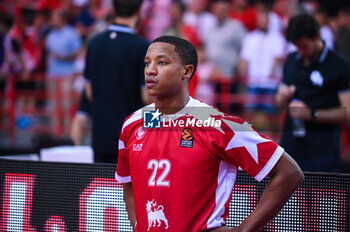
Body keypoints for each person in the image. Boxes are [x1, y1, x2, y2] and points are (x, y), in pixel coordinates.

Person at [116, 35, 303, 231]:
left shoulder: (215, 123)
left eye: (162, 62)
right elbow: (127, 184)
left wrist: (244, 229)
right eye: (147, 63)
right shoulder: (133, 124)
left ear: (186, 71)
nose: (150, 70)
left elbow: (289, 173)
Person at [275, 13, 350, 172]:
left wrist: (311, 114)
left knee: (321, 196)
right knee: (289, 197)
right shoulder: (292, 60)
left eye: (303, 46)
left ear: (317, 36)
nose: (300, 52)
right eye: (297, 47)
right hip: (290, 147)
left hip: (323, 151)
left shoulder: (339, 66)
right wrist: (282, 98)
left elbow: (347, 112)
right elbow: (279, 101)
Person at [84, 0, 151, 163]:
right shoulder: (142, 46)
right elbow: (148, 98)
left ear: (113, 9)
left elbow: (89, 92)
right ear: (139, 11)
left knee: (103, 187)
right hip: (132, 141)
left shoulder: (94, 42)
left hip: (100, 137)